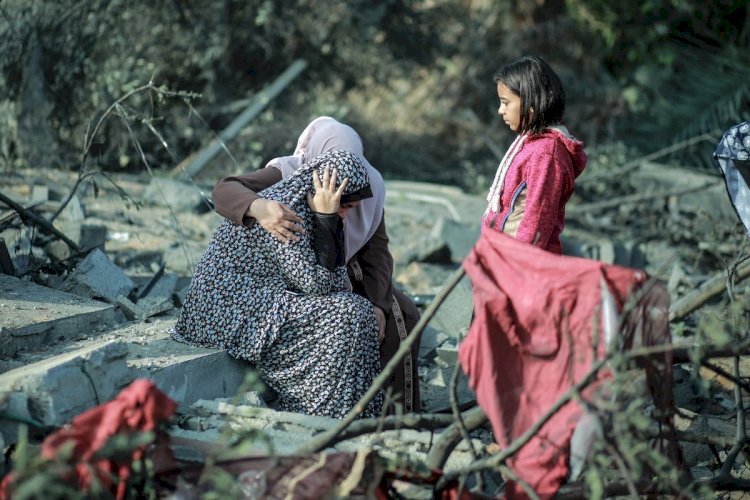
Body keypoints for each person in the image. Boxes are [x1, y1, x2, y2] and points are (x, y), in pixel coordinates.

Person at [212, 116, 421, 414]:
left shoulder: (365, 182)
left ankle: (394, 415)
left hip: (341, 268)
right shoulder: (287, 173)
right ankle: (340, 405)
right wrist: (259, 208)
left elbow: (377, 252)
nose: (347, 212)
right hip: (289, 275)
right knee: (346, 315)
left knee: (402, 314)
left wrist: (378, 304)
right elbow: (224, 190)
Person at [171, 150, 383, 419]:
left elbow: (337, 283)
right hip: (225, 307)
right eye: (345, 206)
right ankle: (321, 411)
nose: (344, 214)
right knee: (348, 313)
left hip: (262, 298)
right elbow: (319, 286)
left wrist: (328, 220)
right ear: (324, 191)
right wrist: (326, 219)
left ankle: (352, 414)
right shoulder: (284, 211)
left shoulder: (317, 211)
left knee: (358, 310)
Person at [484, 55, 587, 254]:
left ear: (531, 103)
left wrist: (518, 266)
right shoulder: (529, 144)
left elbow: (537, 221)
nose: (500, 110)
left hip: (521, 267)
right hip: (503, 260)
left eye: (506, 103)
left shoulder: (546, 155)